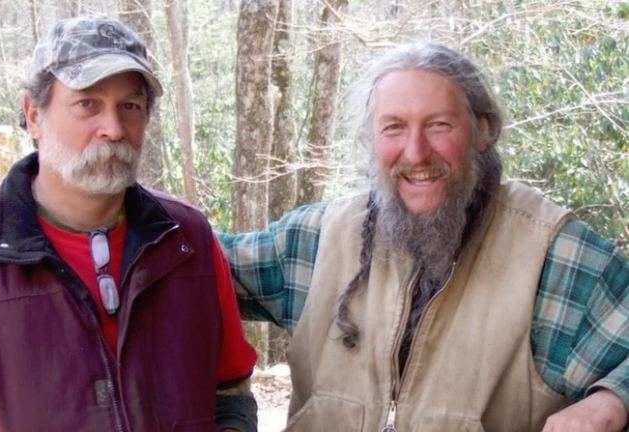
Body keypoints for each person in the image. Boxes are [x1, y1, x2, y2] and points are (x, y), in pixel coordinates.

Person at [0, 16, 257, 432]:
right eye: (88, 104)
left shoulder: (187, 241)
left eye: (130, 106)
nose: (113, 128)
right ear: (33, 114)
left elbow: (230, 390)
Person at [220, 43, 627, 431]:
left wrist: (610, 402)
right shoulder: (320, 240)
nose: (415, 153)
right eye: (393, 127)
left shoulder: (548, 252)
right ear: (370, 139)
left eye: (438, 125)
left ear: (482, 131)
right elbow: (193, 263)